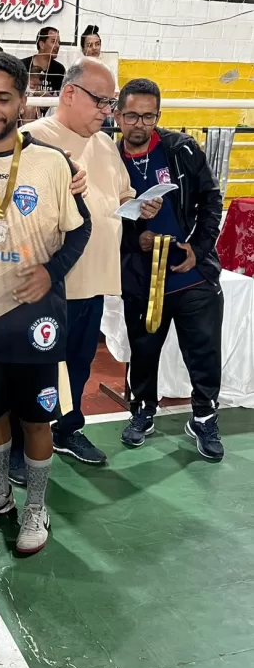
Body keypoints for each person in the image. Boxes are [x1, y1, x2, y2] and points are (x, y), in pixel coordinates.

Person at [0, 52, 91, 554]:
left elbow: (80, 228)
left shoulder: (51, 163)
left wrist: (51, 272)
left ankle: (36, 506)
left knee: (37, 417)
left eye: (3, 97)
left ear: (23, 102)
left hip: (35, 316)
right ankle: (1, 494)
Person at [8, 57, 161, 482]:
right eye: (102, 101)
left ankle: (67, 429)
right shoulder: (31, 140)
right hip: (49, 285)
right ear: (69, 93)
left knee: (77, 366)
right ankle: (19, 445)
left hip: (93, 281)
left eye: (111, 103)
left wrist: (142, 205)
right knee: (35, 370)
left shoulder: (105, 145)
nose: (107, 112)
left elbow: (121, 198)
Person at [115, 78, 224, 461]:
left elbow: (212, 201)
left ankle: (205, 416)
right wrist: (137, 239)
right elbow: (105, 222)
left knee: (204, 351)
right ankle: (143, 411)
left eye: (148, 116)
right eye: (132, 115)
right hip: (144, 280)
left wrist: (198, 248)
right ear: (118, 115)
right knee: (143, 352)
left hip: (193, 276)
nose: (139, 124)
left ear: (158, 116)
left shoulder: (181, 150)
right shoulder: (110, 162)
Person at [21, 27, 65, 96]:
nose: (57, 46)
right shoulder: (22, 66)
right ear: (42, 44)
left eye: (58, 43)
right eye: (53, 41)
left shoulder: (59, 70)